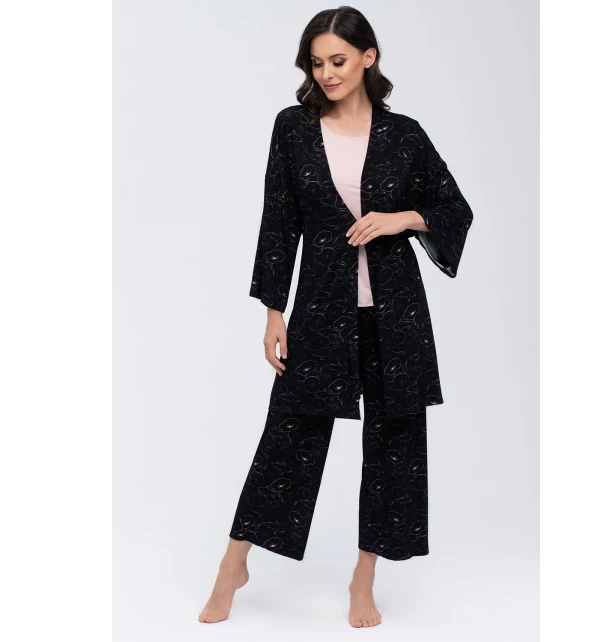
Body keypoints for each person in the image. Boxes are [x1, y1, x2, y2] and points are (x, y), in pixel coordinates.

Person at [199, 6, 473, 628]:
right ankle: (233, 564)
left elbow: (452, 207)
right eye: (317, 62)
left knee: (395, 442)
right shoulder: (293, 128)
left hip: (395, 313)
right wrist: (273, 310)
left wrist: (401, 219)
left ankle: (363, 576)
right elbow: (279, 220)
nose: (326, 73)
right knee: (289, 431)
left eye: (339, 61)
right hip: (321, 309)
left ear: (368, 58)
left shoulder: (404, 135)